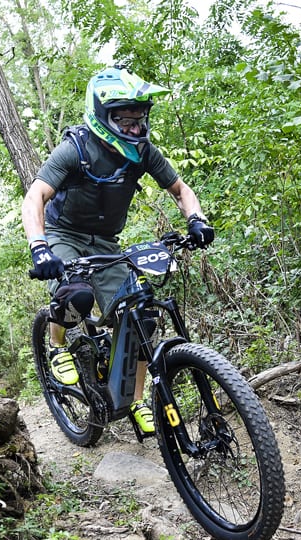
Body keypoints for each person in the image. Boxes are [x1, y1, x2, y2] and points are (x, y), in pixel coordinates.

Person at [22, 66, 214, 434]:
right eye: (124, 119)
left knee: (141, 314)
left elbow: (180, 190)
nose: (133, 128)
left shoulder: (142, 153)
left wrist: (196, 220)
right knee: (76, 296)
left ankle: (136, 399)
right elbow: (35, 196)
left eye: (138, 119)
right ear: (102, 116)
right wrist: (40, 247)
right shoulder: (75, 149)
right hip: (65, 233)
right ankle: (58, 344)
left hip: (107, 242)